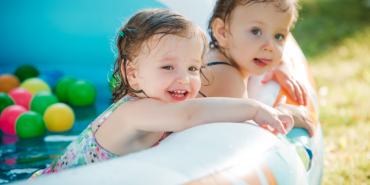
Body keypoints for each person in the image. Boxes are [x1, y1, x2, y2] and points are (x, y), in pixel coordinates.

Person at [30, 9, 293, 178]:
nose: (185, 78)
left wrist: (279, 65)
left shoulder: (161, 103)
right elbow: (188, 116)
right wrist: (255, 108)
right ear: (132, 74)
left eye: (193, 68)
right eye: (168, 67)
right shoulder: (132, 111)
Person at [199, 0, 315, 137]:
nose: (270, 47)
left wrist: (282, 63)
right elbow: (242, 137)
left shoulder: (220, 55)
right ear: (222, 32)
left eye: (278, 36)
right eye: (256, 31)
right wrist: (282, 113)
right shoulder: (227, 78)